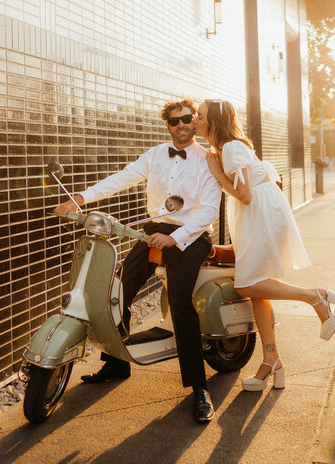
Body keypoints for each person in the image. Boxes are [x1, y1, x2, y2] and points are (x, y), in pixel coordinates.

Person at [54, 99, 221, 422]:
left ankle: (199, 387)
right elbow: (122, 178)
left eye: (187, 119)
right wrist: (79, 198)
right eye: (174, 122)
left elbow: (210, 210)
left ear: (194, 121)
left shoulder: (208, 160)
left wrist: (176, 237)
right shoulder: (156, 154)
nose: (182, 125)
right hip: (153, 232)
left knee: (180, 299)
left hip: (192, 235)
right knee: (117, 288)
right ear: (167, 126)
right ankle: (117, 361)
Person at [193, 99, 335, 392]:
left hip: (259, 213)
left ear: (214, 121)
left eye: (200, 116)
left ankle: (316, 296)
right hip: (258, 214)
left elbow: (245, 195)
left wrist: (216, 173)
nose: (195, 120)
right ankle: (271, 361)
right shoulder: (225, 148)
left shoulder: (231, 147)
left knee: (248, 285)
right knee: (256, 288)